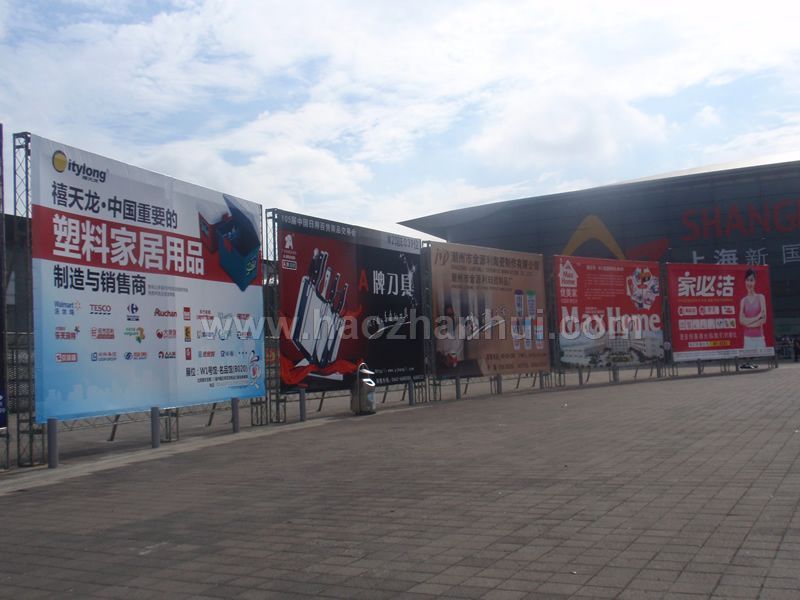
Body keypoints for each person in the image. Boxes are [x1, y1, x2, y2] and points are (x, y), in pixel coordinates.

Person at [739, 268, 767, 368]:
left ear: (755, 281)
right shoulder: (743, 301)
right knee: (747, 358)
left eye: (751, 280)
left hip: (759, 337)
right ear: (744, 281)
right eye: (747, 280)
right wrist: (757, 317)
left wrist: (748, 323)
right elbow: (741, 320)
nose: (749, 283)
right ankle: (749, 364)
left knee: (762, 358)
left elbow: (763, 319)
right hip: (748, 339)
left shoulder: (760, 297)